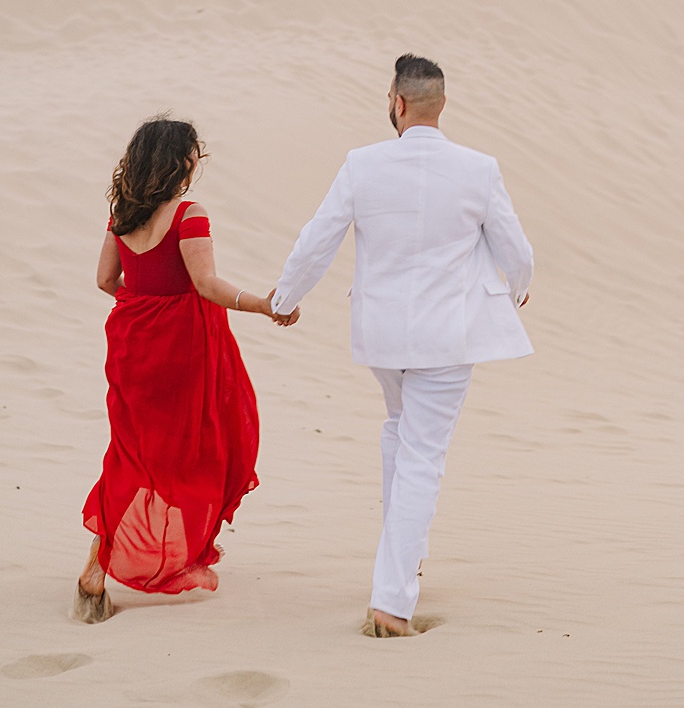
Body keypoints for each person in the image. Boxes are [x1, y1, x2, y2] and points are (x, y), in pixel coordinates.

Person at [264, 54, 533, 637]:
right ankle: (392, 601)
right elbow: (517, 248)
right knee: (422, 458)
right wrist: (519, 289)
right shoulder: (479, 168)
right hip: (448, 338)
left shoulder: (362, 165)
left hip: (383, 337)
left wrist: (285, 297)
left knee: (399, 434)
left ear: (397, 101)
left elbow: (318, 239)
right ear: (441, 104)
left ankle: (403, 556)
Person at [75, 117, 276, 623]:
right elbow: (206, 284)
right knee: (200, 447)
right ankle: (162, 556)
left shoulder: (123, 212)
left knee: (130, 454)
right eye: (193, 155)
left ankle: (95, 571)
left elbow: (105, 280)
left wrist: (143, 302)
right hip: (181, 348)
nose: (195, 164)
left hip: (129, 344)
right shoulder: (189, 213)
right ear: (179, 160)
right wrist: (262, 305)